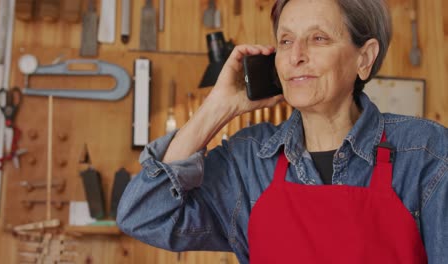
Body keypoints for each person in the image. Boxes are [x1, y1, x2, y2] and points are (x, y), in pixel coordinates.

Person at [117, 0, 448, 263]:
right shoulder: (248, 162)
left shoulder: (424, 153)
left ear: (365, 57)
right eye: (286, 40)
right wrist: (217, 107)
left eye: (318, 38)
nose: (296, 56)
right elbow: (143, 215)